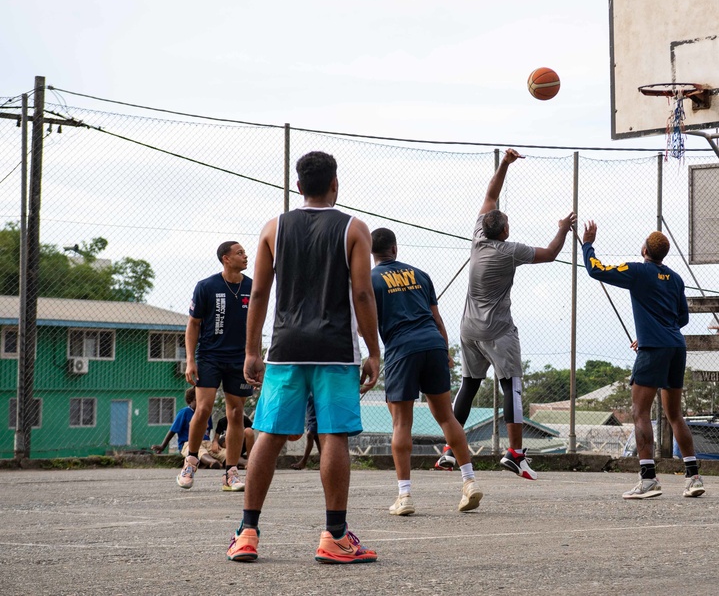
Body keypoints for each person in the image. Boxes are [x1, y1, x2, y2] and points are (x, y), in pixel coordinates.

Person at [229, 151, 380, 564]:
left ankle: (247, 532)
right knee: (333, 435)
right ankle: (333, 536)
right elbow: (362, 293)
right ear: (335, 184)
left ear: (298, 186)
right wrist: (373, 349)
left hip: (285, 348)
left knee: (270, 435)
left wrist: (251, 350)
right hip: (335, 349)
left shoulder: (273, 228)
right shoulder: (354, 228)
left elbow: (258, 293)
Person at [438, 148, 575, 480]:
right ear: (503, 231)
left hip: (468, 328)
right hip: (496, 331)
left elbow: (490, 194)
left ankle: (449, 451)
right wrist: (563, 228)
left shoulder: (477, 236)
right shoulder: (507, 250)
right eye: (508, 223)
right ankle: (515, 454)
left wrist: (504, 165)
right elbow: (552, 254)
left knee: (468, 386)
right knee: (511, 385)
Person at [580, 221, 704, 499]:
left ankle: (648, 480)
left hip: (654, 349)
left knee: (640, 412)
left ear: (644, 249)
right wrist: (654, 330)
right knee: (674, 415)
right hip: (676, 347)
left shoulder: (637, 271)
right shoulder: (675, 279)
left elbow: (595, 269)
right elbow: (682, 318)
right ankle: (693, 477)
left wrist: (587, 244)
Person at [370, 227, 483, 515]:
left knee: (401, 423)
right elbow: (437, 318)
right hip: (432, 343)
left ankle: (405, 496)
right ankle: (469, 481)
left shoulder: (370, 280)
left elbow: (365, 325)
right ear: (395, 249)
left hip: (401, 349)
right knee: (446, 416)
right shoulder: (420, 275)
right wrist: (443, 351)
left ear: (372, 252)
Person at [178, 241, 253, 492]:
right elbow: (193, 324)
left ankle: (230, 473)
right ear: (225, 258)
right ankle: (190, 461)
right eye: (239, 253)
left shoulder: (252, 287)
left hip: (238, 359)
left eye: (245, 252)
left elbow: (257, 324)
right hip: (209, 356)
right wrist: (190, 360)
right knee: (204, 408)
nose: (245, 256)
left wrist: (254, 356)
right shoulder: (206, 286)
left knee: (235, 414)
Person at [152, 387, 220, 469]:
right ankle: (213, 462)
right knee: (200, 450)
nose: (200, 402)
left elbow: (208, 431)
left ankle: (230, 463)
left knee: (222, 452)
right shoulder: (184, 412)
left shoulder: (206, 413)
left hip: (206, 442)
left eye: (202, 399)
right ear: (190, 401)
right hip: (188, 443)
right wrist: (163, 446)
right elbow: (172, 431)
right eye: (197, 399)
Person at [290, 394, 321, 470]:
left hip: (318, 411)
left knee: (310, 435)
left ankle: (303, 461)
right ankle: (324, 462)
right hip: (310, 411)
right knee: (316, 438)